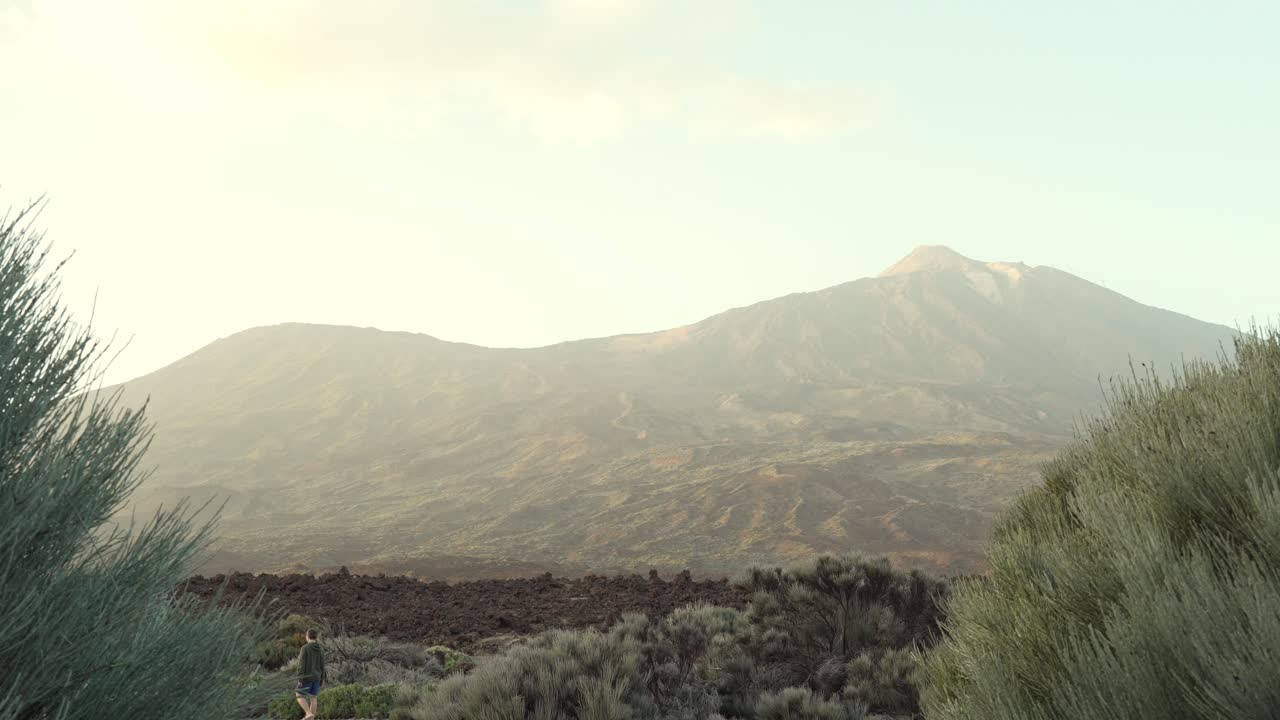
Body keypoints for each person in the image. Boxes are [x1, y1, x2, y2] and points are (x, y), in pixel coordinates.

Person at [295, 627, 326, 720]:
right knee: (313, 698)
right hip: (317, 677)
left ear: (307, 636)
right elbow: (322, 665)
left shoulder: (304, 648)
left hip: (307, 677)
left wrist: (300, 678)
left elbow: (301, 665)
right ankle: (311, 718)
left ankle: (308, 713)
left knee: (299, 695)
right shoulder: (321, 649)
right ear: (316, 637)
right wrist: (322, 679)